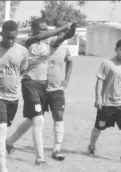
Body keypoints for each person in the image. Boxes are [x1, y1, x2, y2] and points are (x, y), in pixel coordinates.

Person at [5, 19, 75, 166]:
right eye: (41, 29)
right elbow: (39, 37)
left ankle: (9, 142)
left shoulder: (48, 42)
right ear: (34, 30)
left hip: (43, 85)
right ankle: (40, 158)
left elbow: (65, 37)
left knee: (32, 119)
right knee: (39, 120)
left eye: (45, 29)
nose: (44, 32)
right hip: (30, 82)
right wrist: (62, 26)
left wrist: (72, 29)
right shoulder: (27, 41)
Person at [0, 21, 29, 172]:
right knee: (1, 130)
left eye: (14, 38)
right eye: (8, 37)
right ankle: (3, 170)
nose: (11, 41)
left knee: (3, 130)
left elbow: (22, 69)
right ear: (1, 34)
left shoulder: (23, 51)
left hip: (14, 98)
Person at [87, 39, 121, 165]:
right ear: (116, 50)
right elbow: (99, 81)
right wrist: (98, 98)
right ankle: (91, 146)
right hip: (107, 104)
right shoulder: (107, 63)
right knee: (99, 127)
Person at [45, 25, 74, 161]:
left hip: (56, 90)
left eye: (64, 35)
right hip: (40, 89)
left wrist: (67, 79)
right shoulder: (43, 46)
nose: (61, 38)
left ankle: (57, 149)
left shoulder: (64, 49)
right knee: (34, 119)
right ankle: (11, 143)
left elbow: (70, 62)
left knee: (58, 116)